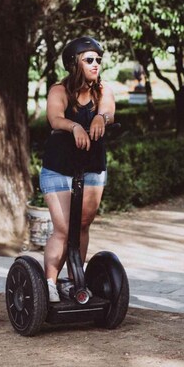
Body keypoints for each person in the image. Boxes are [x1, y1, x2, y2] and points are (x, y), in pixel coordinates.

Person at [41, 36, 116, 303]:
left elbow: (109, 111)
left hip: (92, 167)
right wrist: (73, 126)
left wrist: (100, 117)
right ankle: (49, 283)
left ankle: (75, 280)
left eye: (98, 59)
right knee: (63, 229)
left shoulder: (102, 90)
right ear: (74, 63)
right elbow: (55, 118)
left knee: (83, 224)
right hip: (59, 168)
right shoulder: (59, 91)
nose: (96, 64)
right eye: (89, 60)